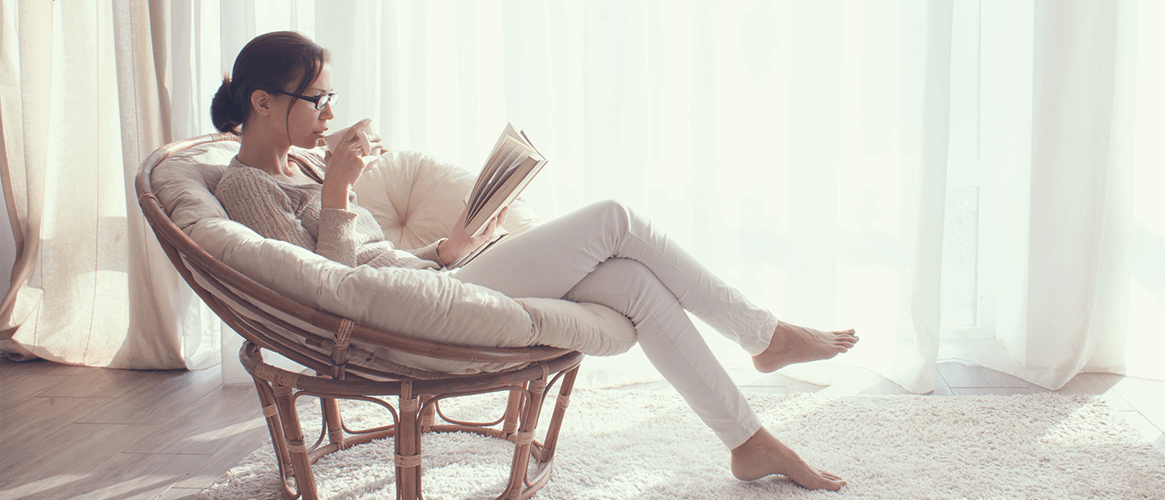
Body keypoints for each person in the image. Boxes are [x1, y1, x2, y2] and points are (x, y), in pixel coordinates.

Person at [210, 31, 857, 491]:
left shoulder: (304, 165)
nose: (330, 113)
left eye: (331, 97)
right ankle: (764, 335)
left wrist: (448, 249)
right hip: (403, 325)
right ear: (263, 103)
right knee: (615, 219)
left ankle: (748, 442)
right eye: (317, 100)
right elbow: (326, 294)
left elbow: (372, 264)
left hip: (429, 287)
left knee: (631, 280)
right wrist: (339, 192)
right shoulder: (247, 186)